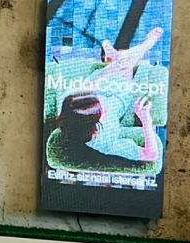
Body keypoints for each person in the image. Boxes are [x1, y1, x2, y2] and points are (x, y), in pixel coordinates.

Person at [55, 25, 163, 167]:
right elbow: (151, 155)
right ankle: (135, 50)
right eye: (103, 111)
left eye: (98, 101)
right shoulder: (103, 142)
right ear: (95, 126)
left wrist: (108, 75)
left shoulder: (69, 101)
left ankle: (123, 55)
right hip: (119, 98)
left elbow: (91, 84)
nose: (105, 105)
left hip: (99, 84)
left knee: (120, 65)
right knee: (126, 65)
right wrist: (146, 121)